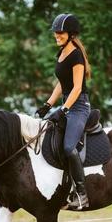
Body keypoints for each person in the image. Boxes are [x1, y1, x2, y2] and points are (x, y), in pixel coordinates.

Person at [36, 13, 92, 210]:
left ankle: (82, 194)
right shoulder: (60, 54)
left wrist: (64, 108)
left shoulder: (76, 55)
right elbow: (61, 84)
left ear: (71, 34)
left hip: (79, 107)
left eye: (60, 32)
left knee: (69, 147)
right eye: (55, 32)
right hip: (66, 106)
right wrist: (48, 105)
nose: (56, 35)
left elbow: (76, 87)